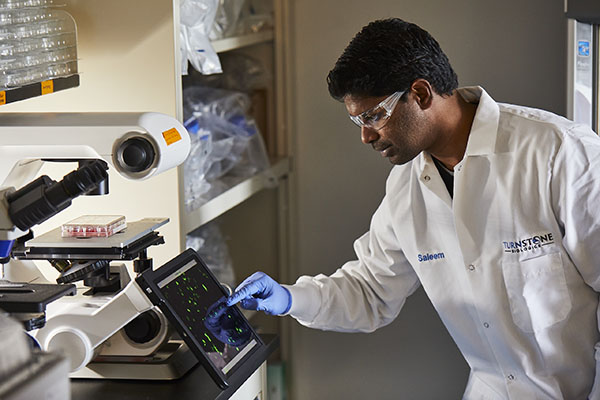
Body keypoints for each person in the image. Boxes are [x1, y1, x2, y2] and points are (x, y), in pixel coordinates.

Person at [226, 18, 600, 399]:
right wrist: (287, 298)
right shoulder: (407, 188)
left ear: (420, 94)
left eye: (373, 116)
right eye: (357, 121)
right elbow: (369, 290)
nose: (365, 136)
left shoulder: (558, 153)